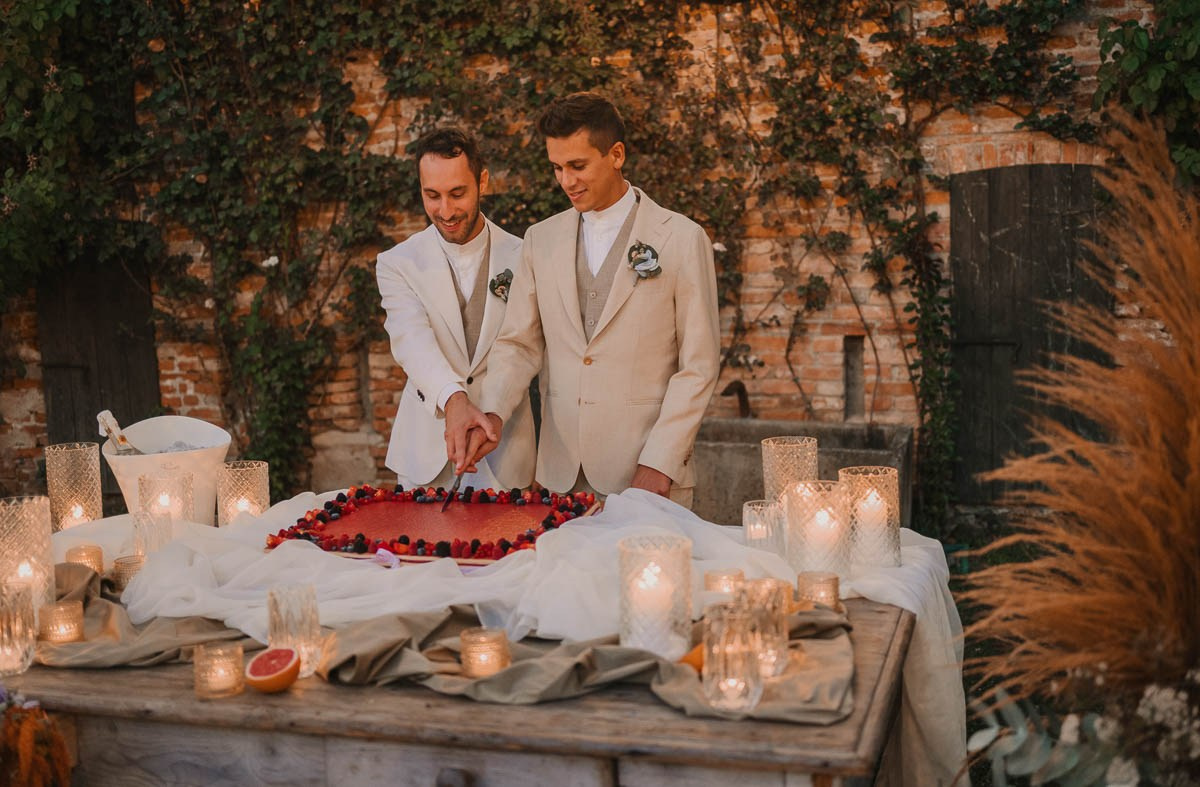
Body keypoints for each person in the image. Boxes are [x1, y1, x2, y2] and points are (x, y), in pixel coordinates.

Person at [447, 92, 720, 507]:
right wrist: (493, 413)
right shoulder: (541, 239)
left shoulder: (682, 239)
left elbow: (698, 366)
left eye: (577, 166)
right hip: (559, 478)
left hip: (647, 476)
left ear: (616, 154)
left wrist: (661, 462)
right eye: (557, 167)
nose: (566, 181)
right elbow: (518, 344)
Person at [376, 127, 535, 492]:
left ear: (482, 182)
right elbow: (411, 341)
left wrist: (493, 413)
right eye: (432, 195)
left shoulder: (525, 255)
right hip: (425, 455)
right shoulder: (397, 263)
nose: (445, 211)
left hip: (505, 449)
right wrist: (453, 400)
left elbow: (525, 347)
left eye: (457, 193)